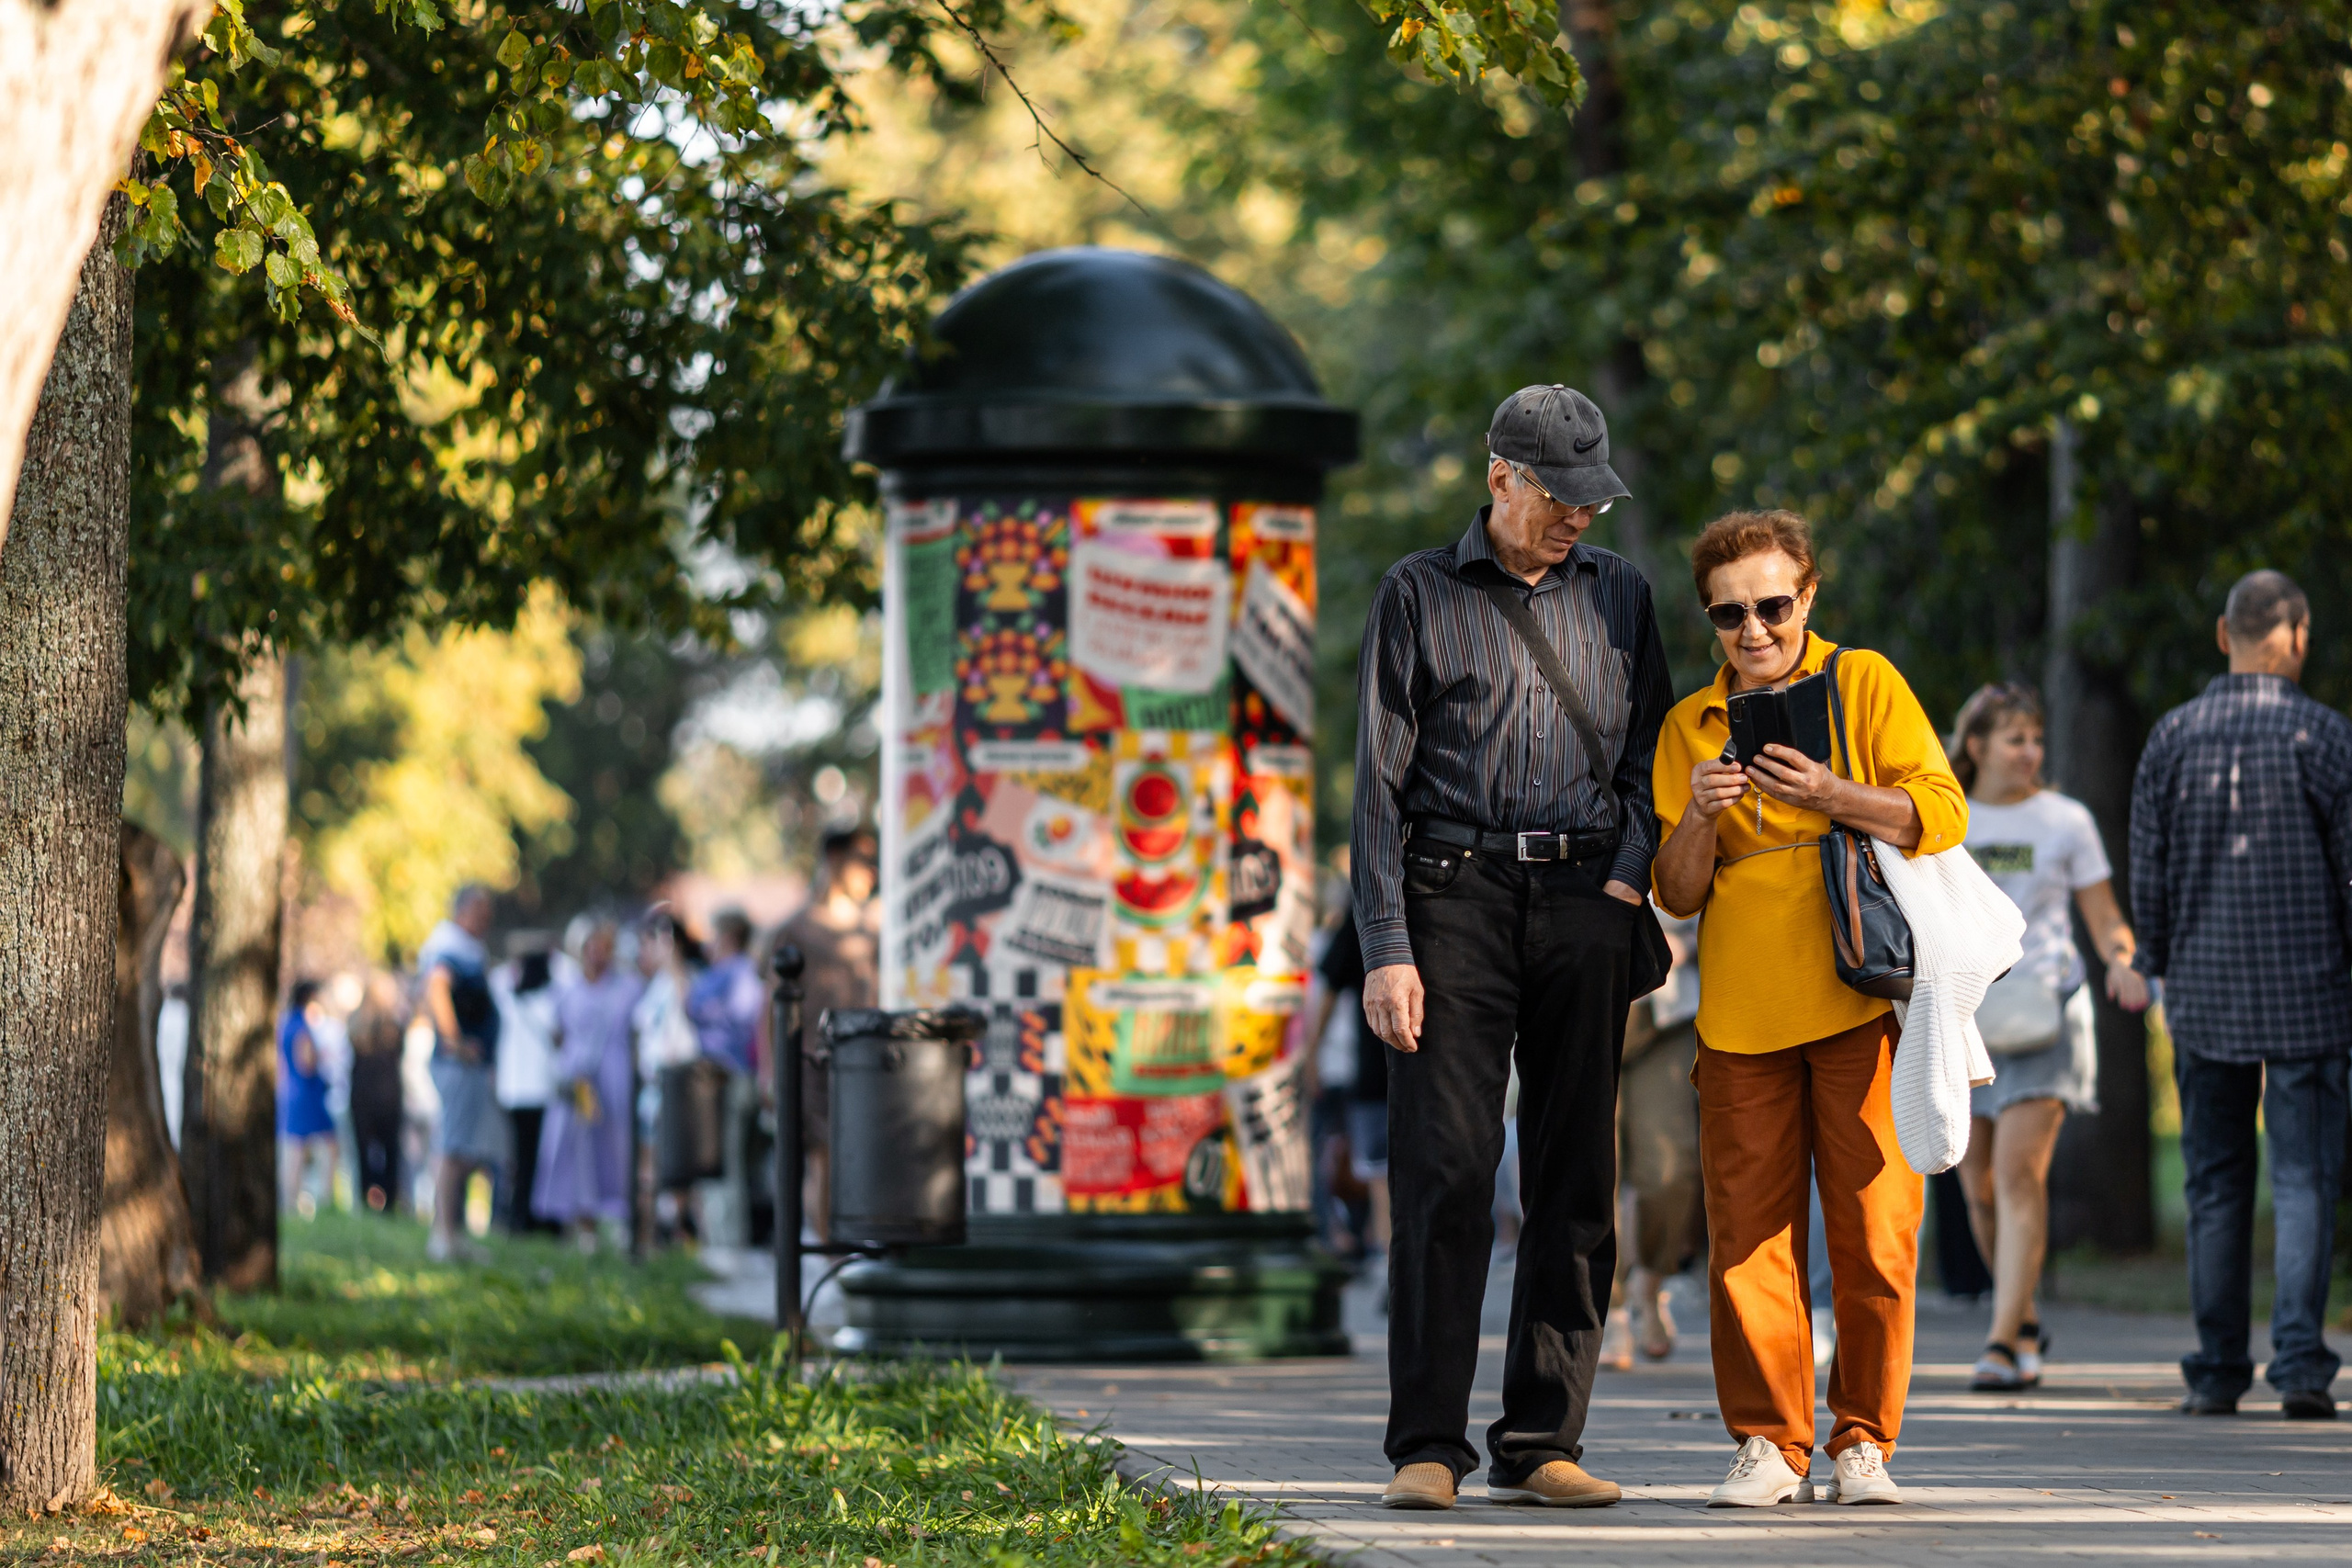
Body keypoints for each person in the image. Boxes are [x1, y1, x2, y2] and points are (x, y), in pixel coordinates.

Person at [1352, 384, 1671, 1511]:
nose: (1578, 516)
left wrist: (1627, 880)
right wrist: (1385, 946)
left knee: (1575, 1174)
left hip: (1588, 896)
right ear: (1500, 480)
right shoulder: (1417, 593)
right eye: (1558, 496)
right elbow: (1377, 790)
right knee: (1445, 1173)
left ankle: (1542, 1441)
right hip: (1451, 900)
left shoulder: (1623, 595)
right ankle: (1428, 1446)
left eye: (1592, 498)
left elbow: (1649, 763)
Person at [1651, 509, 1967, 1507]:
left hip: (1861, 993)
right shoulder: (1687, 725)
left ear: (1808, 596)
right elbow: (1674, 892)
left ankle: (1862, 1439)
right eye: (1729, 613)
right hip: (1738, 1015)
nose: (1753, 631)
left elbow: (1940, 810)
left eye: (1773, 606)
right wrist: (1700, 816)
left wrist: (1833, 792)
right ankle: (1768, 1442)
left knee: (1875, 1231)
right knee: (1747, 1235)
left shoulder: (1861, 682)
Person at [2131, 569, 2352, 1421]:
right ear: (2296, 638)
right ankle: (2300, 1365)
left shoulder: (2171, 737)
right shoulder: (2326, 737)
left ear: (2225, 637)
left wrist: (2155, 955)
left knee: (2215, 1184)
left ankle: (2218, 1369)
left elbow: (2148, 870)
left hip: (2204, 990)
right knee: (2303, 1180)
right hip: (2311, 995)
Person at [1950, 682, 2151, 1391]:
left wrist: (2123, 960)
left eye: (2036, 738)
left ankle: (2002, 1341)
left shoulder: (2067, 820)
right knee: (1977, 1188)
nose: (2030, 751)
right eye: (2014, 738)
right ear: (1977, 747)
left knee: (2017, 1174)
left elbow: (2103, 917)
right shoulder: (1948, 817)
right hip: (1967, 1017)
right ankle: (2025, 1313)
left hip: (2048, 1015)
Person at [1600, 912, 1701, 1371]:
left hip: (1667, 1013)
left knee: (1671, 1170)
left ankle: (1650, 1281)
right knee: (1596, 1172)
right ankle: (1610, 1305)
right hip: (1584, 1008)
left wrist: (1687, 942)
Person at [776, 826, 881, 1244]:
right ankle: (829, 1257)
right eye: (864, 861)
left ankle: (845, 1251)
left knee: (855, 1160)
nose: (873, 872)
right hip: (811, 1061)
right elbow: (770, 1006)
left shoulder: (873, 929)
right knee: (822, 1158)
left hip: (864, 1063)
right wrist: (772, 1071)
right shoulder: (795, 930)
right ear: (836, 859)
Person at [536, 918, 645, 1250]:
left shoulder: (629, 988)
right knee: (577, 1152)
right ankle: (585, 1225)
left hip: (616, 1080)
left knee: (617, 1150)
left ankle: (624, 1221)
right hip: (579, 1084)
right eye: (591, 946)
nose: (598, 953)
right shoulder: (566, 990)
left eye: (604, 946)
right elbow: (557, 1035)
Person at [420, 885, 505, 1262]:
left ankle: (453, 1232)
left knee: (463, 1149)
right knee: (451, 1149)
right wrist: (454, 1041)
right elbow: (437, 988)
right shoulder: (448, 946)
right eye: (480, 911)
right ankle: (443, 1234)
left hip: (471, 1064)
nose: (486, 920)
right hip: (457, 1062)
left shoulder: (467, 947)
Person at [492, 936, 561, 1235]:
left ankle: (518, 1215)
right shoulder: (548, 1000)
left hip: (513, 1090)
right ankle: (530, 1216)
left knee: (519, 1159)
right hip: (538, 1090)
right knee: (536, 1158)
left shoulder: (508, 998)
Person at [346, 971, 408, 1213]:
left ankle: (366, 1198)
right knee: (391, 1151)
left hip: (362, 1095)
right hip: (388, 1095)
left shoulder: (355, 1023)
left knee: (363, 1152)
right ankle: (388, 1201)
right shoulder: (394, 1025)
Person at [277, 979, 338, 1217]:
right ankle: (319, 1198)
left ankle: (292, 1201)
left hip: (293, 1091)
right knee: (306, 1148)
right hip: (306, 1092)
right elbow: (306, 1062)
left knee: (295, 1149)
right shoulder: (301, 1025)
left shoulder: (286, 1022)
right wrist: (321, 1056)